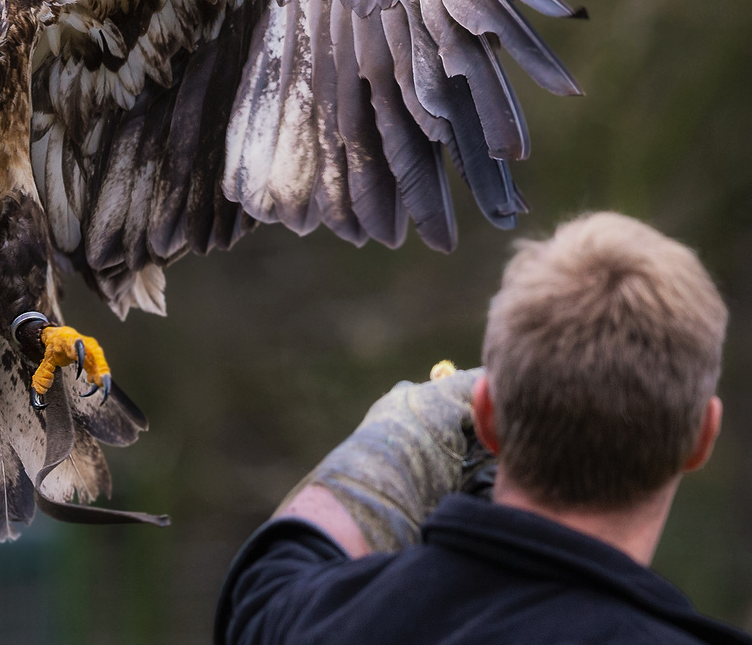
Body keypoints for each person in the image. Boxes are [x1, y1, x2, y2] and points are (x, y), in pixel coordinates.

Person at [214, 211, 749, 645]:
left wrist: (406, 434)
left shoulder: (314, 627)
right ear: (702, 436)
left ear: (486, 416)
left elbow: (269, 580)